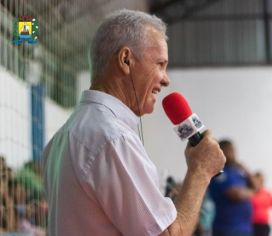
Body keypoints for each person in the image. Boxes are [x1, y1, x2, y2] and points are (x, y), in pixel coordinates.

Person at [42, 9, 225, 236]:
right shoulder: (112, 138)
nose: (166, 79)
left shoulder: (65, 135)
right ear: (126, 60)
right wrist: (200, 171)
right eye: (160, 64)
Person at [209, 139, 256, 236]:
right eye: (230, 150)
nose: (234, 153)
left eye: (234, 150)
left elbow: (256, 185)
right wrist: (252, 192)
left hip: (245, 228)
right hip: (227, 229)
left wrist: (245, 169)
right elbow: (236, 195)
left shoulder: (237, 171)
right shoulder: (220, 173)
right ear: (221, 152)